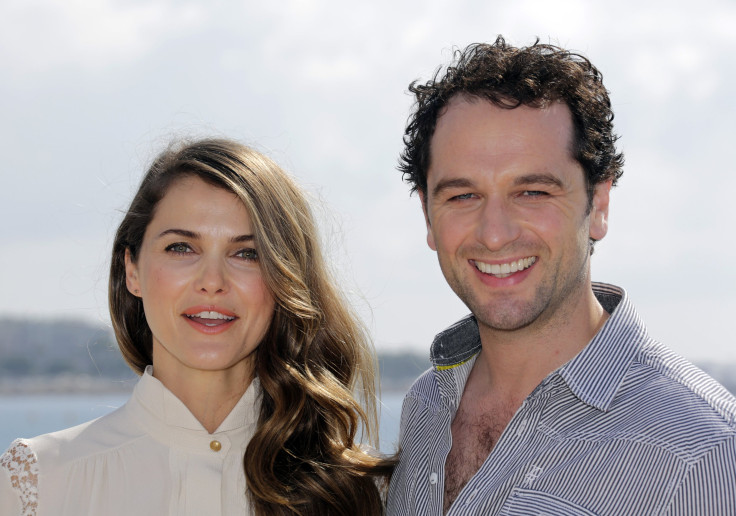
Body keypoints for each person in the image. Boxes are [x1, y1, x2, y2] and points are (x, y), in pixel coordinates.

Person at [386, 37, 736, 515]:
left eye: (532, 192)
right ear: (428, 217)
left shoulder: (705, 452)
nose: (494, 235)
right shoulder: (426, 407)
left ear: (600, 205)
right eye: (462, 196)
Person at [1, 138, 393, 515]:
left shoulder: (360, 491)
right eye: (181, 247)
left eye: (247, 253)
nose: (212, 280)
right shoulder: (37, 482)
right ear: (132, 269)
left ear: (285, 281)